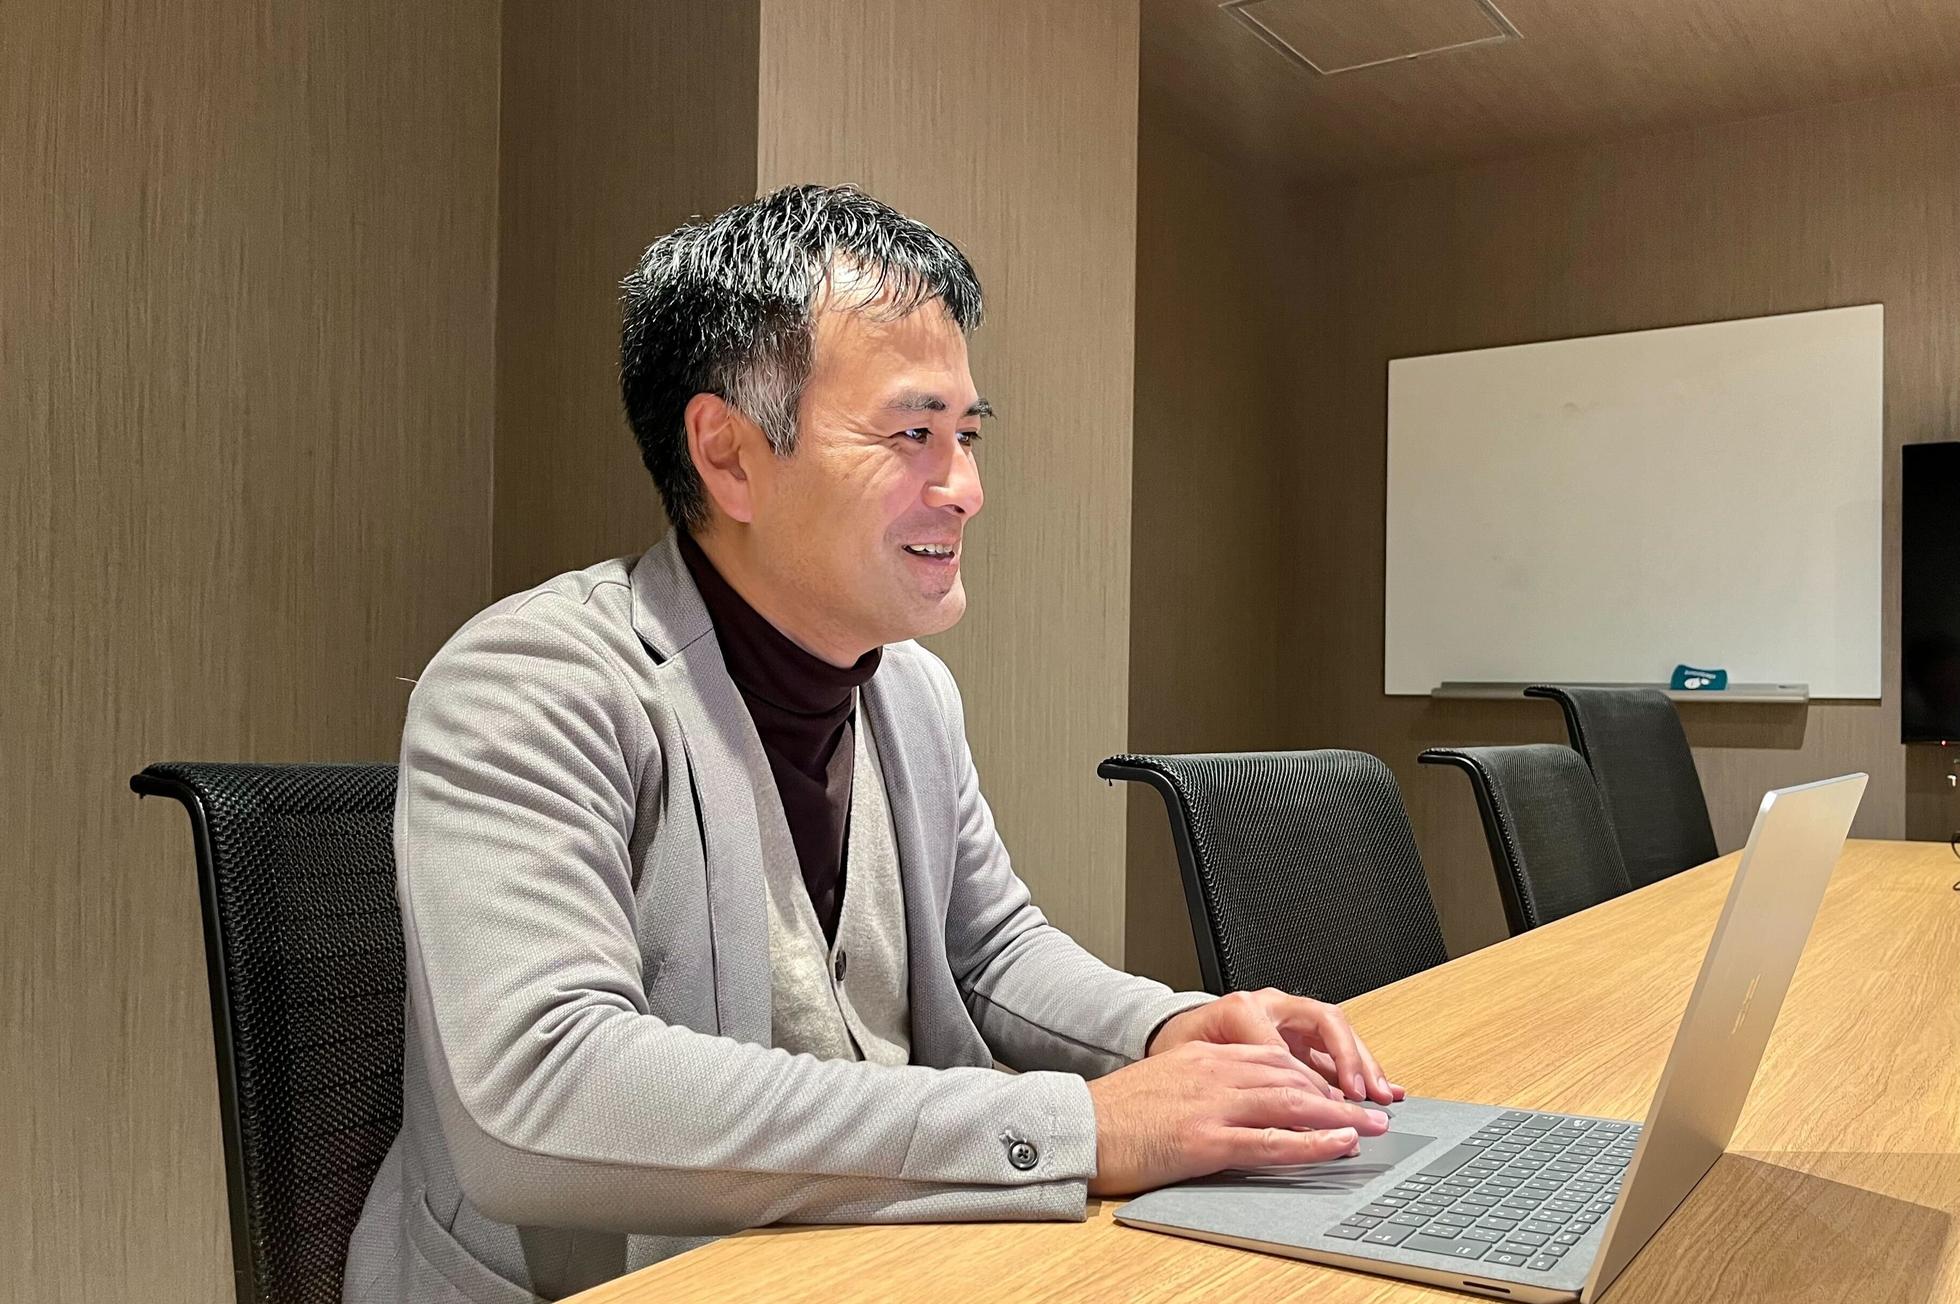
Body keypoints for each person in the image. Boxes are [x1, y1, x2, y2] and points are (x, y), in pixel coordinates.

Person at [344, 184, 1402, 1304]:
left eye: (968, 435)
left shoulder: (912, 690)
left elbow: (991, 951)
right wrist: (1080, 1127)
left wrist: (1171, 1027)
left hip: (851, 1263)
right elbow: (542, 1095)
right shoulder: (530, 682)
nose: (967, 489)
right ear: (729, 454)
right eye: (912, 435)